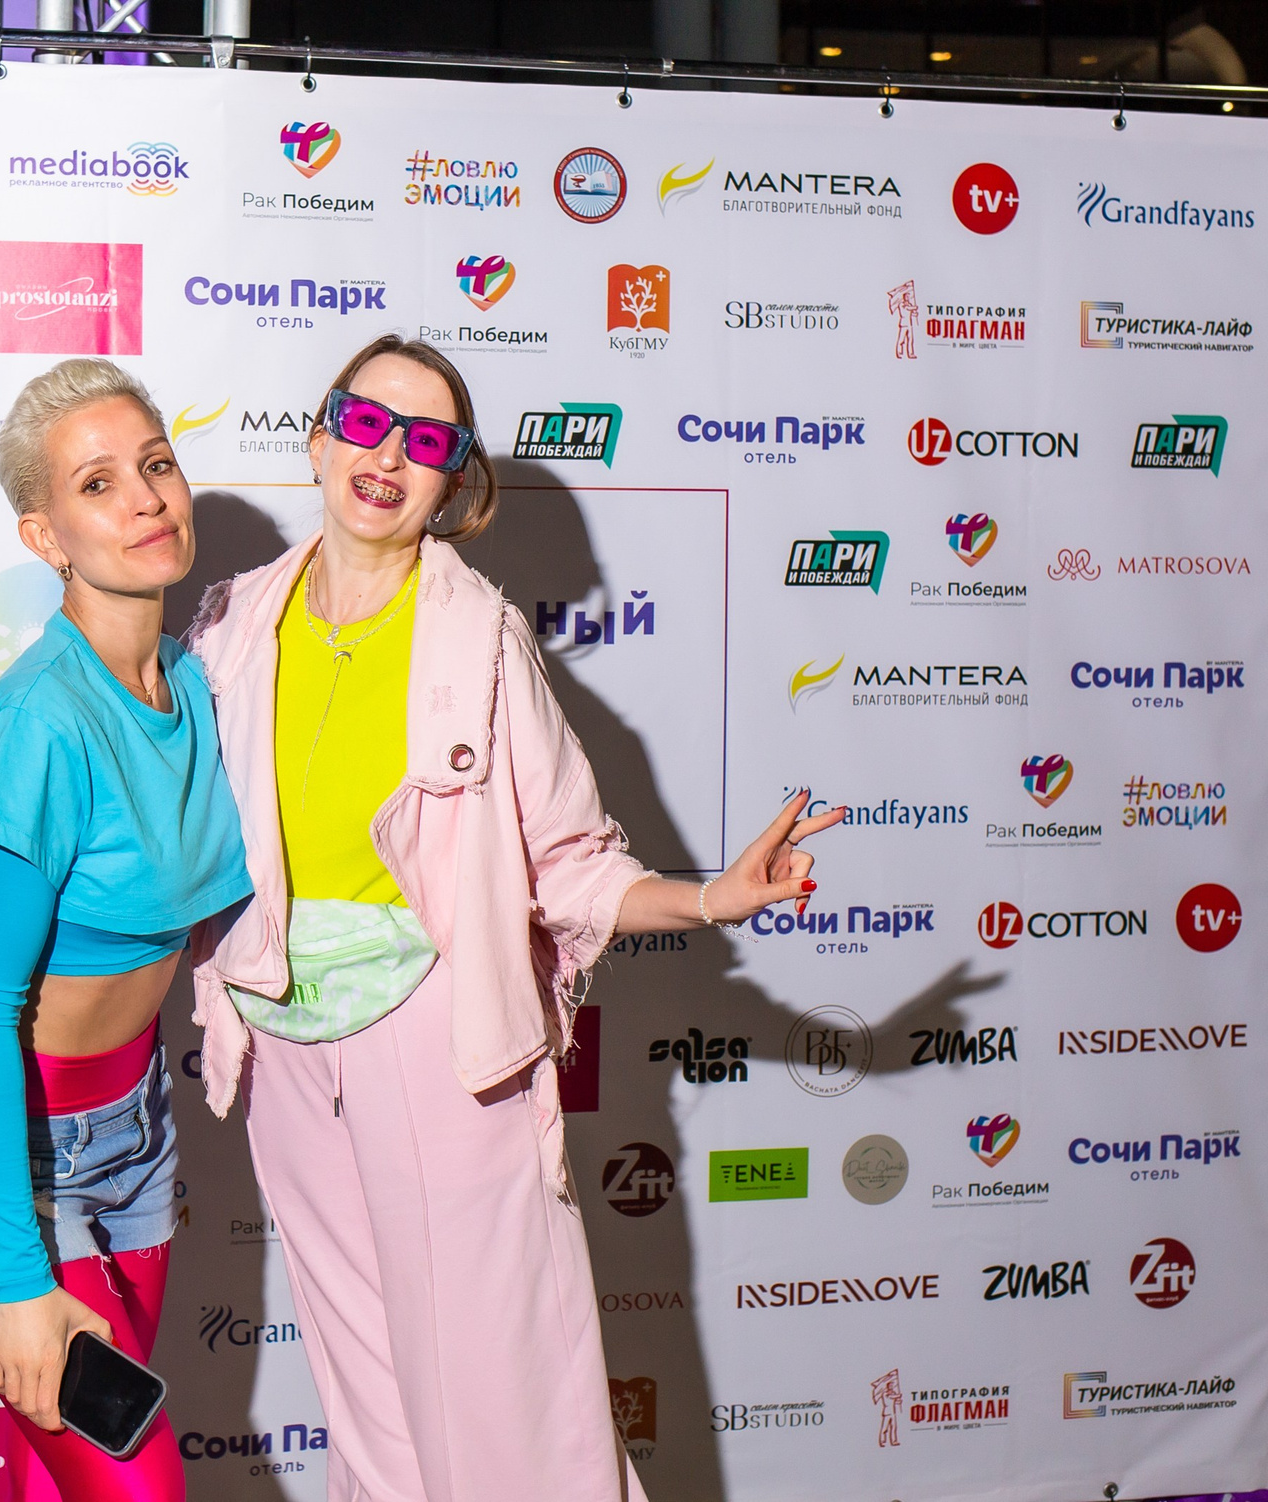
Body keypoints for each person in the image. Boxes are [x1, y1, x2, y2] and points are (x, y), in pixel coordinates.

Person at [185, 334, 844, 1502]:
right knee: (366, 1388)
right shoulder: (232, 621)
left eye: (427, 440)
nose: (389, 455)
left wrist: (712, 897)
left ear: (452, 481)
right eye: (367, 421)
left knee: (502, 1392)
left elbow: (571, 863)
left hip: (437, 1035)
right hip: (280, 1039)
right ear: (321, 435)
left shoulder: (480, 636)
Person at [0, 358, 251, 1502]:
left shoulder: (202, 684)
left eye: (157, 464)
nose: (146, 498)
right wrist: (18, 1277)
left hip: (135, 1132)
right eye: (99, 483)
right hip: (4, 1151)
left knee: (69, 1483)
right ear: (45, 536)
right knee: (137, 1486)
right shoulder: (36, 725)